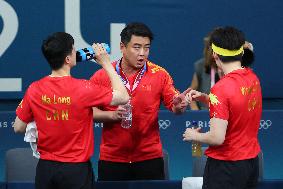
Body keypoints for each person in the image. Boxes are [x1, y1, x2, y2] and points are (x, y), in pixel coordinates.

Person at [13, 32, 129, 189]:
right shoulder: (83, 88)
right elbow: (123, 96)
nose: (77, 52)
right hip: (76, 172)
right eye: (74, 50)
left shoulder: (34, 89)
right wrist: (106, 63)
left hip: (45, 170)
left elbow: (18, 127)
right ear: (68, 59)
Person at [90, 22, 187, 181]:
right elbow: (89, 111)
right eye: (136, 47)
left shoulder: (160, 74)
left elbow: (176, 107)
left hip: (149, 159)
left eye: (146, 48)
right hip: (112, 159)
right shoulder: (102, 76)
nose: (142, 53)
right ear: (122, 47)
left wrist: (179, 106)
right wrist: (112, 116)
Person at [183, 26, 262, 189]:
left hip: (226, 168)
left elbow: (217, 138)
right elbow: (236, 105)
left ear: (215, 55)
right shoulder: (252, 78)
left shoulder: (221, 88)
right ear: (240, 52)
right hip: (251, 164)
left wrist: (194, 136)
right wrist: (207, 99)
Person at [189, 33, 255, 110]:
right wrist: (197, 114)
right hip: (206, 114)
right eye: (210, 49)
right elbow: (191, 93)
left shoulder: (234, 65)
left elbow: (248, 47)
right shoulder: (201, 66)